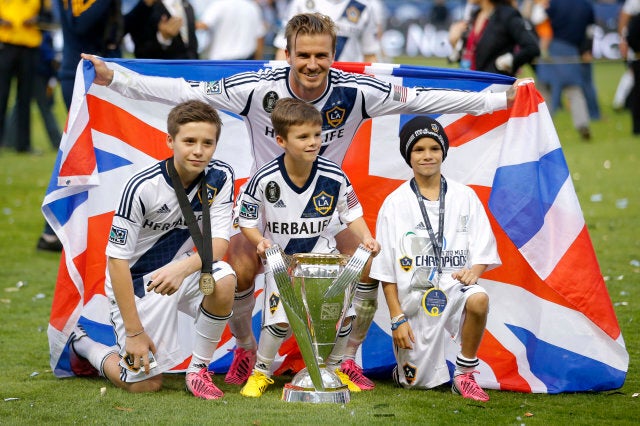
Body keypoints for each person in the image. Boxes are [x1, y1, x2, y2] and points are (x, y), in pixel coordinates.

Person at [81, 12, 526, 390]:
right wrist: (114, 77)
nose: (312, 64)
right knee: (235, 269)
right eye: (303, 55)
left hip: (326, 214)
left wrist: (495, 98)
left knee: (371, 263)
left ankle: (345, 358)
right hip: (267, 209)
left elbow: (424, 96)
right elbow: (183, 92)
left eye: (321, 55)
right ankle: (246, 351)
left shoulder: (356, 91)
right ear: (288, 53)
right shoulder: (257, 87)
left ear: (333, 54)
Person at [67, 100, 237, 399]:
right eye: (189, 141)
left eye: (207, 143)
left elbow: (219, 244)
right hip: (138, 282)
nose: (199, 150)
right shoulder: (143, 187)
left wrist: (181, 268)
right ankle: (83, 345)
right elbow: (116, 262)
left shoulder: (220, 177)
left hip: (183, 270)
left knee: (224, 279)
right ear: (170, 140)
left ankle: (198, 370)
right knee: (143, 384)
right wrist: (134, 333)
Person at [237, 98, 380, 397]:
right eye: (303, 136)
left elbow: (351, 213)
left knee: (342, 315)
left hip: (326, 261)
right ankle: (261, 373)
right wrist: (259, 241)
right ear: (281, 140)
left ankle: (335, 371)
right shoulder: (264, 179)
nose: (313, 142)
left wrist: (366, 237)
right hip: (283, 262)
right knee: (279, 321)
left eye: (317, 135)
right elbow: (247, 220)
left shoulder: (334, 176)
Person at [369, 116, 500, 402]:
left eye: (434, 148)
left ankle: (464, 374)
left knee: (479, 299)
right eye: (418, 149)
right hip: (415, 300)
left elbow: (484, 246)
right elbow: (386, 270)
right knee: (417, 384)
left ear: (443, 152)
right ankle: (402, 370)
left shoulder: (465, 196)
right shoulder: (394, 203)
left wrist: (474, 271)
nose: (427, 155)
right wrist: (396, 318)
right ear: (408, 155)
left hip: (454, 288)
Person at [37, 0, 124, 251]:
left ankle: (63, 230)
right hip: (81, 77)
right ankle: (55, 230)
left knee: (95, 153)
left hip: (97, 77)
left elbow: (118, 28)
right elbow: (80, 25)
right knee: (84, 152)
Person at [535, 0, 596, 140]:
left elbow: (538, 18)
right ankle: (582, 124)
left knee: (546, 91)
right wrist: (587, 48)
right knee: (574, 90)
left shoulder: (554, 3)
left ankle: (543, 130)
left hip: (551, 48)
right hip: (572, 51)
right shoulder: (586, 5)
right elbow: (590, 31)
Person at [448, 0, 540, 77]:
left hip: (495, 90)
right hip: (472, 87)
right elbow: (470, 58)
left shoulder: (507, 15)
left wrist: (510, 60)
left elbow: (532, 48)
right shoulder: (475, 16)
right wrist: (454, 42)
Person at [273, 0, 380, 62]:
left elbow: (370, 53)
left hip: (349, 82)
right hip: (308, 78)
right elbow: (284, 48)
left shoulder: (364, 6)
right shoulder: (301, 3)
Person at [0, 0, 43, 153]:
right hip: (6, 45)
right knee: (1, 96)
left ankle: (23, 145)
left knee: (25, 98)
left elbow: (48, 15)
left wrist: (37, 19)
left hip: (29, 46)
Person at [124, 0, 198, 60]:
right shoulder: (146, 7)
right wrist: (163, 38)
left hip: (191, 71)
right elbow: (141, 51)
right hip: (161, 72)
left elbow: (192, 45)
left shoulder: (187, 6)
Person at [198, 0, 266, 60]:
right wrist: (258, 60)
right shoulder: (252, 7)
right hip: (246, 60)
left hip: (221, 60)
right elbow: (259, 37)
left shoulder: (219, 5)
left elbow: (204, 25)